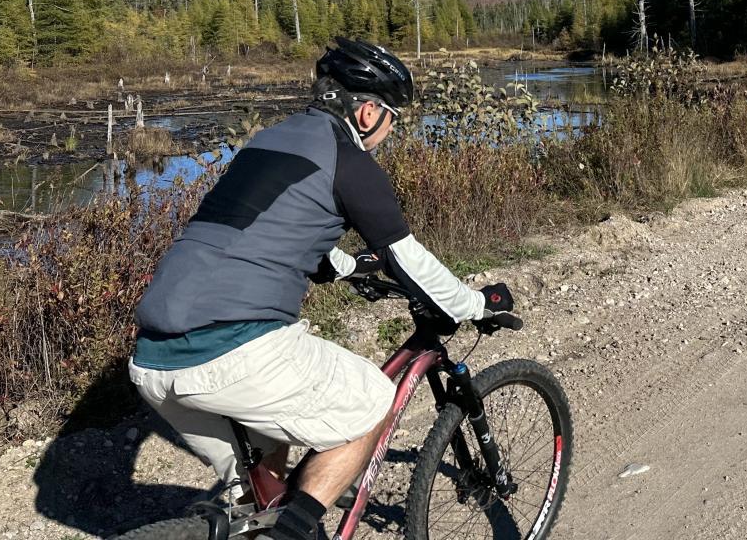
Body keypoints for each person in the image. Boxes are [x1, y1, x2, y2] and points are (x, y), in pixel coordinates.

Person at [128, 37, 513, 540]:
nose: (390, 130)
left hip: (153, 361)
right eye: (393, 118)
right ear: (369, 112)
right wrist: (478, 303)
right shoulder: (349, 161)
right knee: (373, 404)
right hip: (234, 350)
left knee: (263, 476)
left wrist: (349, 266)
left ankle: (260, 521)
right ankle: (293, 531)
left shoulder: (267, 142)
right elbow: (410, 261)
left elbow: (265, 228)